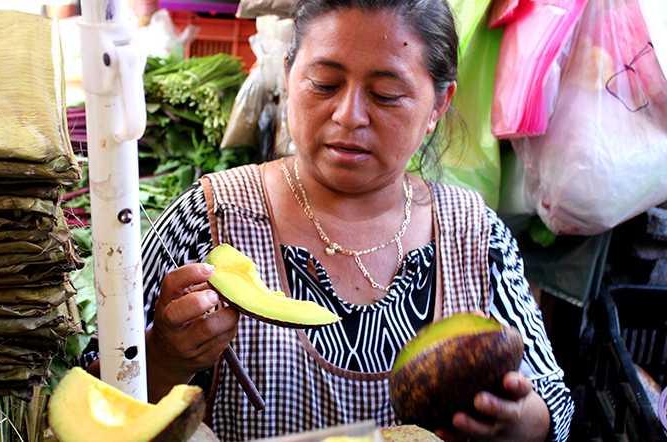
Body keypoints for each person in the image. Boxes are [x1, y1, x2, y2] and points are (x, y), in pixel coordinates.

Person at [81, 0, 574, 440]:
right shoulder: (208, 218)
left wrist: (522, 422)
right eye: (324, 84)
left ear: (437, 106)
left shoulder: (475, 234)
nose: (349, 115)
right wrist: (165, 356)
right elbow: (91, 401)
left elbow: (555, 402)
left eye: (385, 95)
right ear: (290, 74)